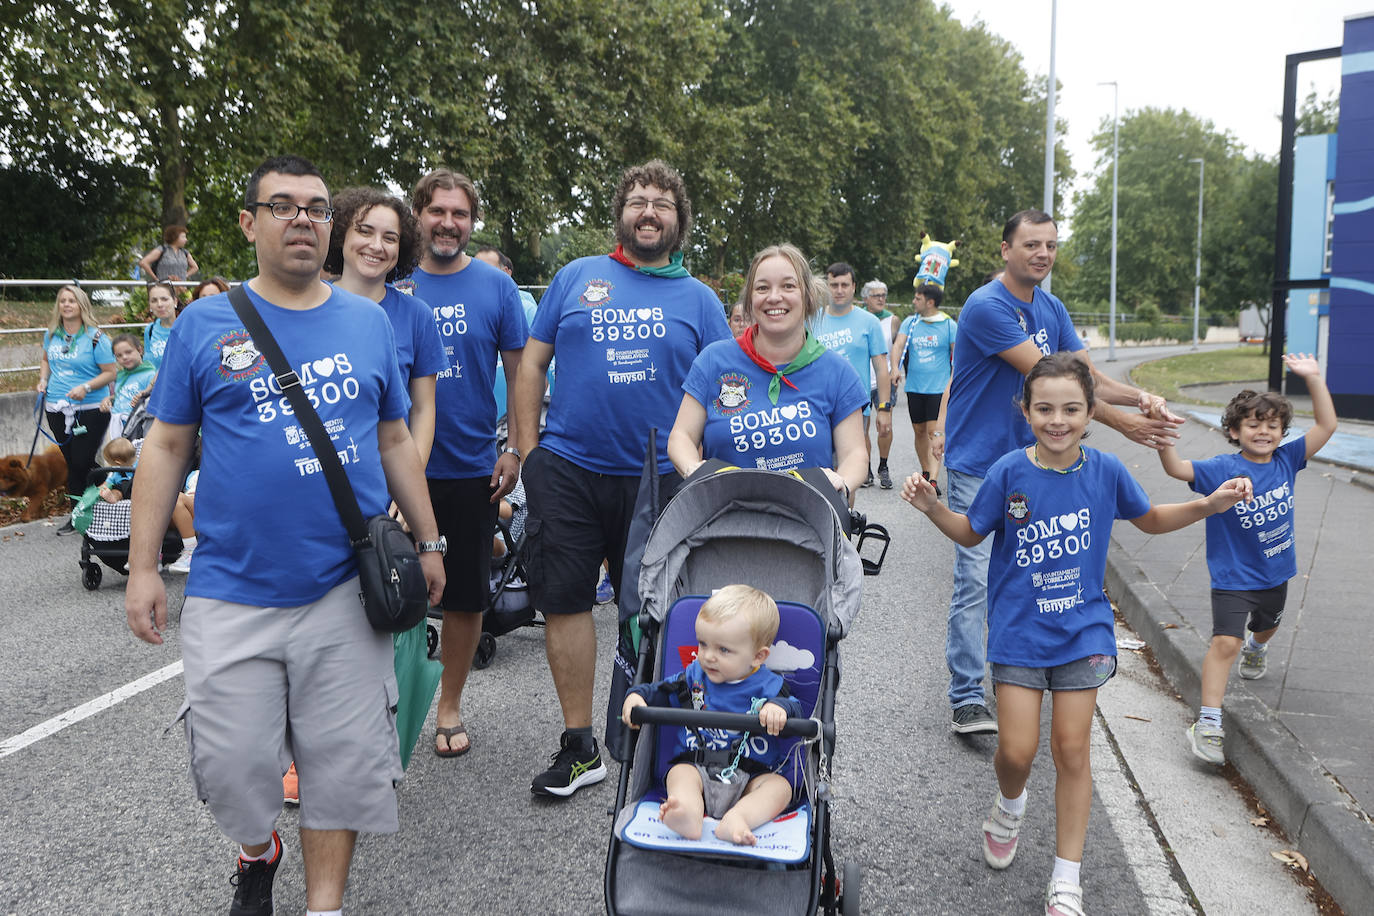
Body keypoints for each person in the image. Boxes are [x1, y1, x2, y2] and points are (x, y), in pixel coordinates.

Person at [124, 154, 446, 916]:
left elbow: (396, 438)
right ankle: (256, 846)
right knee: (234, 770)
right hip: (232, 588)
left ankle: (323, 906)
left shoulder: (369, 323)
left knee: (340, 768)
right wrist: (143, 565)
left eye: (316, 207)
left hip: (342, 589)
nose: (303, 218)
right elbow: (166, 446)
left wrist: (429, 542)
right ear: (249, 222)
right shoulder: (205, 323)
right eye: (282, 206)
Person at [902, 352, 1251, 916]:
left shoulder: (1106, 472)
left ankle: (1067, 879)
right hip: (1018, 635)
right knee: (1016, 752)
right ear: (1026, 411)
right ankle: (1010, 804)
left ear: (1091, 411)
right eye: (1044, 408)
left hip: (1084, 635)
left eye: (1070, 408)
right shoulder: (1008, 471)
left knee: (1071, 748)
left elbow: (1150, 519)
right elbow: (969, 535)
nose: (1057, 420)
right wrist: (930, 507)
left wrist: (1208, 505)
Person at [513, 159, 731, 798]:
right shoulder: (577, 277)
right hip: (571, 469)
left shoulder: (700, 299)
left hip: (661, 478)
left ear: (678, 221)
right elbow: (531, 367)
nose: (648, 212)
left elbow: (724, 389)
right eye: (638, 201)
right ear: (621, 213)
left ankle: (664, 740)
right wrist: (529, 454)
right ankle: (581, 747)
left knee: (661, 612)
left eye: (662, 204)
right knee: (566, 601)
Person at [940, 209, 1183, 736]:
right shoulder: (986, 307)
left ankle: (1027, 673)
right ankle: (965, 696)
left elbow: (1086, 378)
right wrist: (1126, 424)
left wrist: (1143, 398)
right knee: (976, 581)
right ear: (1005, 250)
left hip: (1037, 467)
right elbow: (1047, 378)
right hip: (980, 464)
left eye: (1050, 245)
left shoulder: (1051, 306)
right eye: (1031, 244)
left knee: (1028, 575)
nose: (1043, 254)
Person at [1158, 354, 1337, 766]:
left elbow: (1327, 426)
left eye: (1272, 425)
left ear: (1281, 433)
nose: (1263, 431)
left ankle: (1258, 647)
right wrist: (1164, 438)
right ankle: (1207, 722)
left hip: (1276, 571)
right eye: (1253, 424)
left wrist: (1313, 379)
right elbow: (1176, 469)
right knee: (1225, 642)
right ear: (1235, 430)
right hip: (1232, 576)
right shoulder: (1222, 467)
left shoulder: (1287, 460)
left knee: (1267, 627)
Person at [406, 169, 527, 759]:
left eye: (459, 214)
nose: (448, 223)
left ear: (471, 221)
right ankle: (379, 704)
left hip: (469, 465)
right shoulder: (392, 281)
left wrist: (514, 447)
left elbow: (520, 372)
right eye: (437, 212)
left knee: (464, 596)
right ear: (419, 215)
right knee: (377, 591)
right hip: (390, 468)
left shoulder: (497, 288)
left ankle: (449, 703)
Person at [667, 243, 867, 495]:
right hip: (722, 520)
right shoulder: (713, 361)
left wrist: (843, 481)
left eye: (788, 286)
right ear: (750, 301)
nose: (774, 297)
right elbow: (680, 436)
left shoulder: (838, 372)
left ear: (807, 296)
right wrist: (692, 468)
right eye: (762, 287)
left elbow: (856, 454)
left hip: (808, 524)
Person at [621, 584, 802, 845]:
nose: (707, 657)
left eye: (723, 650)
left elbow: (794, 707)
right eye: (703, 644)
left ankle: (739, 818)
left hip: (751, 775)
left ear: (758, 656)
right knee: (679, 774)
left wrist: (778, 710)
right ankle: (687, 813)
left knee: (780, 788)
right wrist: (637, 695)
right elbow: (658, 690)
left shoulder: (770, 686)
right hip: (697, 766)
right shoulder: (694, 676)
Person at [37, 284, 117, 534]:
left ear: (82, 305)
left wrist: (86, 387)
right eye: (63, 301)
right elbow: (45, 360)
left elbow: (111, 372)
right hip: (56, 406)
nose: (67, 305)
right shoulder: (51, 335)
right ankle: (77, 515)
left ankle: (112, 494)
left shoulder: (96, 338)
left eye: (72, 301)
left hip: (91, 407)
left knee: (83, 460)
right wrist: (42, 380)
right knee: (72, 462)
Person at [815, 263, 891, 490]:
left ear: (854, 287)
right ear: (826, 287)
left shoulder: (869, 322)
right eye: (834, 285)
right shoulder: (811, 319)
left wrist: (885, 409)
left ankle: (845, 518)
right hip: (816, 405)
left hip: (854, 406)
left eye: (844, 285)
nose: (839, 290)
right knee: (820, 468)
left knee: (846, 472)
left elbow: (881, 368)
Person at [891, 283, 956, 494]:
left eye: (917, 298)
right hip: (914, 387)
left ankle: (934, 480)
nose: (913, 301)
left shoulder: (948, 325)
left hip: (938, 388)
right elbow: (898, 346)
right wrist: (894, 368)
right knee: (919, 431)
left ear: (930, 302)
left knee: (932, 432)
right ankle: (926, 472)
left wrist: (954, 379)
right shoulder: (911, 323)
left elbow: (959, 357)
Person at [860, 280, 897, 486]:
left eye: (884, 295)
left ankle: (883, 466)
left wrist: (897, 369)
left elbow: (899, 348)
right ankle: (865, 469)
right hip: (862, 381)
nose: (881, 299)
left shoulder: (892, 320)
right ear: (865, 298)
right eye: (876, 295)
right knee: (862, 429)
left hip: (884, 380)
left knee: (885, 428)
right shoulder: (859, 319)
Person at [99, 334, 156, 443]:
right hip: (117, 426)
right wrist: (110, 400)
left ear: (140, 350)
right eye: (119, 355)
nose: (124, 357)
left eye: (128, 352)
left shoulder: (150, 374)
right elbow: (121, 394)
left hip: (137, 428)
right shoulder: (121, 376)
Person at [142, 280, 180, 369]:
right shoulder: (149, 330)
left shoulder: (187, 328)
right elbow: (148, 365)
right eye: (154, 300)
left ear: (175, 301)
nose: (159, 304)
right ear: (150, 306)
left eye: (164, 299)